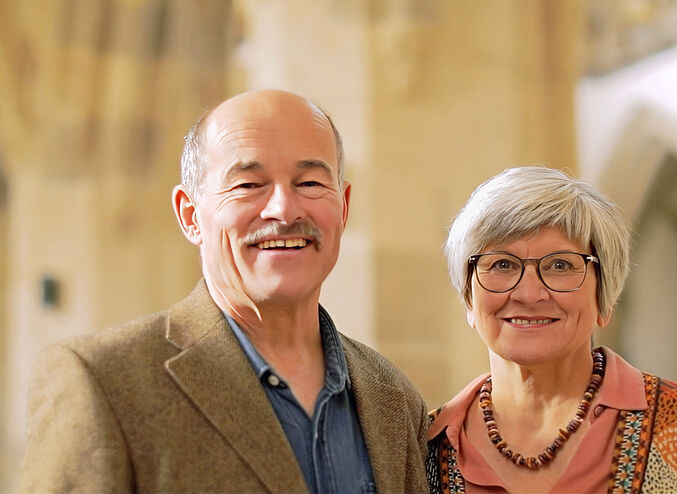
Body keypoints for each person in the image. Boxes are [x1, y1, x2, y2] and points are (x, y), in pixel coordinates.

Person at [19, 89, 429, 493]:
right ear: (190, 215)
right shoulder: (103, 381)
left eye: (309, 182)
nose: (284, 210)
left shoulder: (392, 398)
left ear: (343, 206)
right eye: (249, 185)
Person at [427, 166, 677, 494]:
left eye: (560, 265)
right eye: (501, 264)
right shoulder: (419, 448)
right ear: (469, 299)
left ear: (605, 297)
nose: (529, 294)